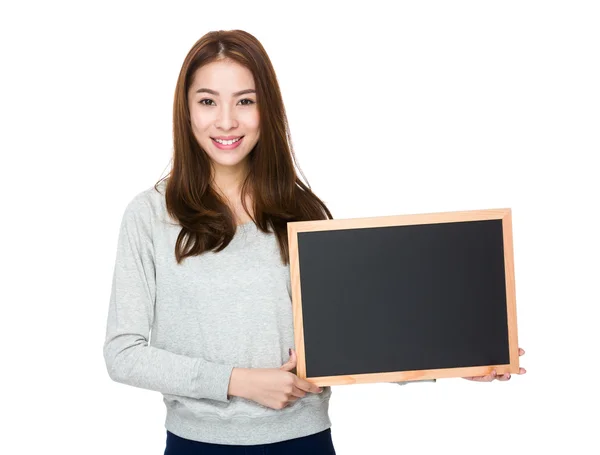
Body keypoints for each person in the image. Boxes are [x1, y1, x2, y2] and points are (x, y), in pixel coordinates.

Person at [103, 29, 526, 454]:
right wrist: (238, 381)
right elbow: (123, 354)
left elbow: (353, 333)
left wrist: (455, 359)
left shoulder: (301, 211)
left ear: (267, 109)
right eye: (208, 101)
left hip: (302, 441)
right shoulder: (151, 215)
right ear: (187, 109)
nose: (227, 120)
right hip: (197, 444)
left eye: (245, 101)